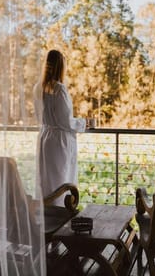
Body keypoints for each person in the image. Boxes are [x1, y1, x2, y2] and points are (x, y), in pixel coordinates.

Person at [33, 50, 86, 206]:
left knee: (46, 179)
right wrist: (83, 123)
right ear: (61, 67)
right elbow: (66, 121)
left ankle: (47, 214)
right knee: (60, 179)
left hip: (45, 137)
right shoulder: (59, 89)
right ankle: (61, 215)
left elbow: (39, 115)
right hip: (58, 142)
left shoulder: (38, 88)